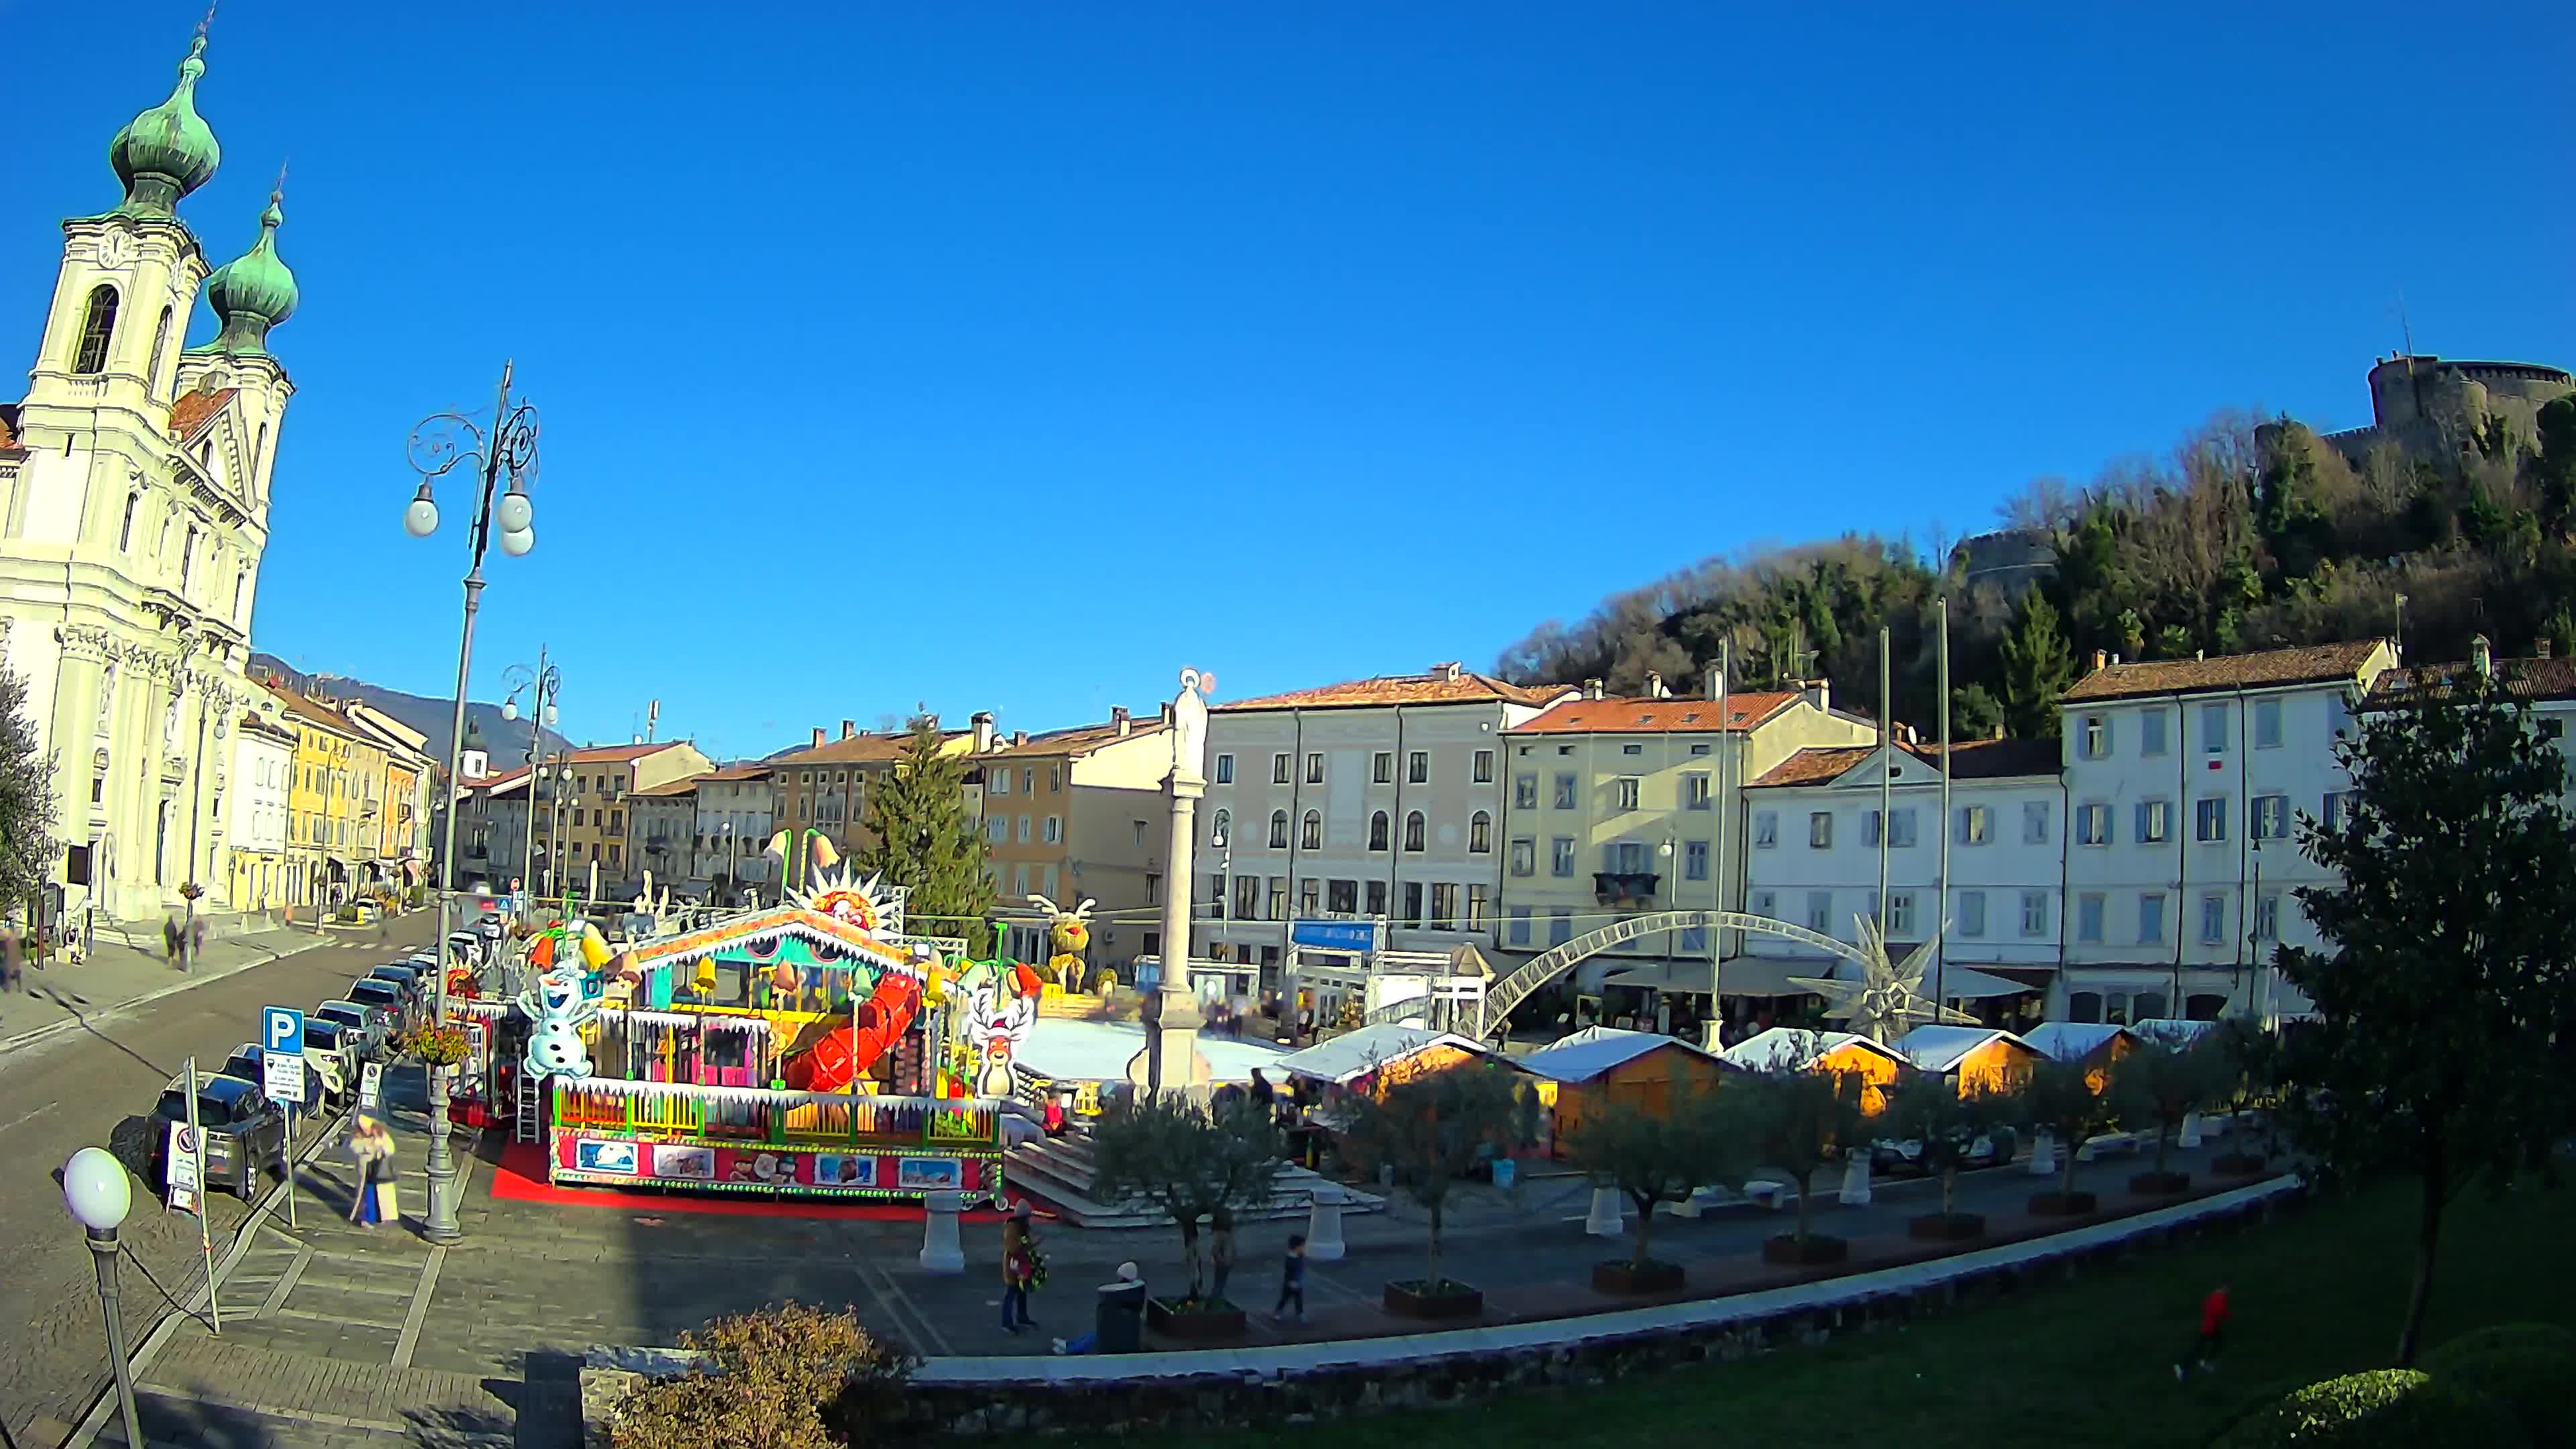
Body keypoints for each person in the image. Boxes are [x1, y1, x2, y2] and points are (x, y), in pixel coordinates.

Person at [1051, 1263, 1144, 1355]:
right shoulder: (1133, 1289)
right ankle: (1069, 1345)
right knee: (1091, 1336)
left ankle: (1069, 1349)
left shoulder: (1127, 1293)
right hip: (1119, 1327)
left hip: (1122, 1331)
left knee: (1093, 1340)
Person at [347, 1116, 396, 1228]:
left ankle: (379, 1216)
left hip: (379, 1169)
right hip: (365, 1171)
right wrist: (367, 1147)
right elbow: (353, 1146)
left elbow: (391, 1149)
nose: (365, 1131)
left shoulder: (381, 1134)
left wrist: (381, 1146)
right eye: (363, 1129)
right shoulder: (358, 1136)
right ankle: (366, 1219)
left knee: (380, 1195)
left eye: (367, 1128)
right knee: (367, 1195)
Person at [1002, 1201, 1042, 1333]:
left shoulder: (1022, 1228)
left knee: (1021, 1292)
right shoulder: (1013, 1229)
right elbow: (1014, 1249)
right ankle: (1007, 1322)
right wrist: (1031, 1245)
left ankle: (1022, 1317)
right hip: (1014, 1267)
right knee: (1011, 1294)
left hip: (1022, 1265)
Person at [2176, 1283, 2231, 1379]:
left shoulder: (2211, 1297)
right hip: (2211, 1328)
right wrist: (2227, 1317)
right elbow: (2222, 1312)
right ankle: (2182, 1367)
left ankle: (2204, 1362)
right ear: (2224, 1288)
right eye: (2227, 1289)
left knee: (2216, 1343)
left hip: (2209, 1326)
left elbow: (2205, 1309)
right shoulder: (2221, 1299)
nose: (2228, 1292)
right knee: (2199, 1348)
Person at [1273, 1232, 1307, 1324]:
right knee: (1285, 1298)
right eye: (1302, 1246)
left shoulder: (1299, 1256)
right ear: (1297, 1247)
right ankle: (1278, 1312)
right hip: (1290, 1283)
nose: (1304, 1248)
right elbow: (1289, 1273)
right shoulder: (1290, 1259)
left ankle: (1300, 1313)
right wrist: (1291, 1282)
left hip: (1297, 1282)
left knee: (1298, 1299)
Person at [1210, 1212, 1236, 1303]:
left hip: (1225, 1263)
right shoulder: (1221, 1234)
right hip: (1223, 1264)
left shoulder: (1227, 1233)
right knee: (1218, 1286)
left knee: (1220, 1285)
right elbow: (1215, 1251)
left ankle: (1217, 1301)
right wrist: (1223, 1261)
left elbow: (1230, 1248)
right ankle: (1215, 1303)